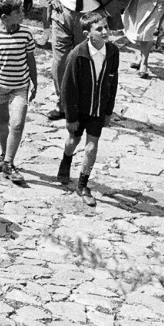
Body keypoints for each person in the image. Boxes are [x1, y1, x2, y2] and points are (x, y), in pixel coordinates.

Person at [37, 0, 134, 116]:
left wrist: (106, 11)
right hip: (63, 16)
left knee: (87, 61)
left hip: (90, 21)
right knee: (61, 61)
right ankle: (63, 103)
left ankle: (85, 102)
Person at [57, 15, 119, 198]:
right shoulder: (77, 54)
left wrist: (108, 110)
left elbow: (112, 82)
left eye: (106, 27)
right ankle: (66, 161)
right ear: (87, 34)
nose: (105, 32)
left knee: (92, 146)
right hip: (79, 110)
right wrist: (70, 117)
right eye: (99, 29)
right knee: (72, 141)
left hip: (98, 110)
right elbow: (68, 87)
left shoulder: (113, 52)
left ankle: (83, 184)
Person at [0, 0, 38, 180]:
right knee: (2, 120)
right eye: (18, 12)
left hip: (20, 86)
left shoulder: (26, 34)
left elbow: (30, 59)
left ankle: (9, 164)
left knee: (18, 124)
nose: (22, 14)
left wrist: (34, 81)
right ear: (4, 17)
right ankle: (4, 154)